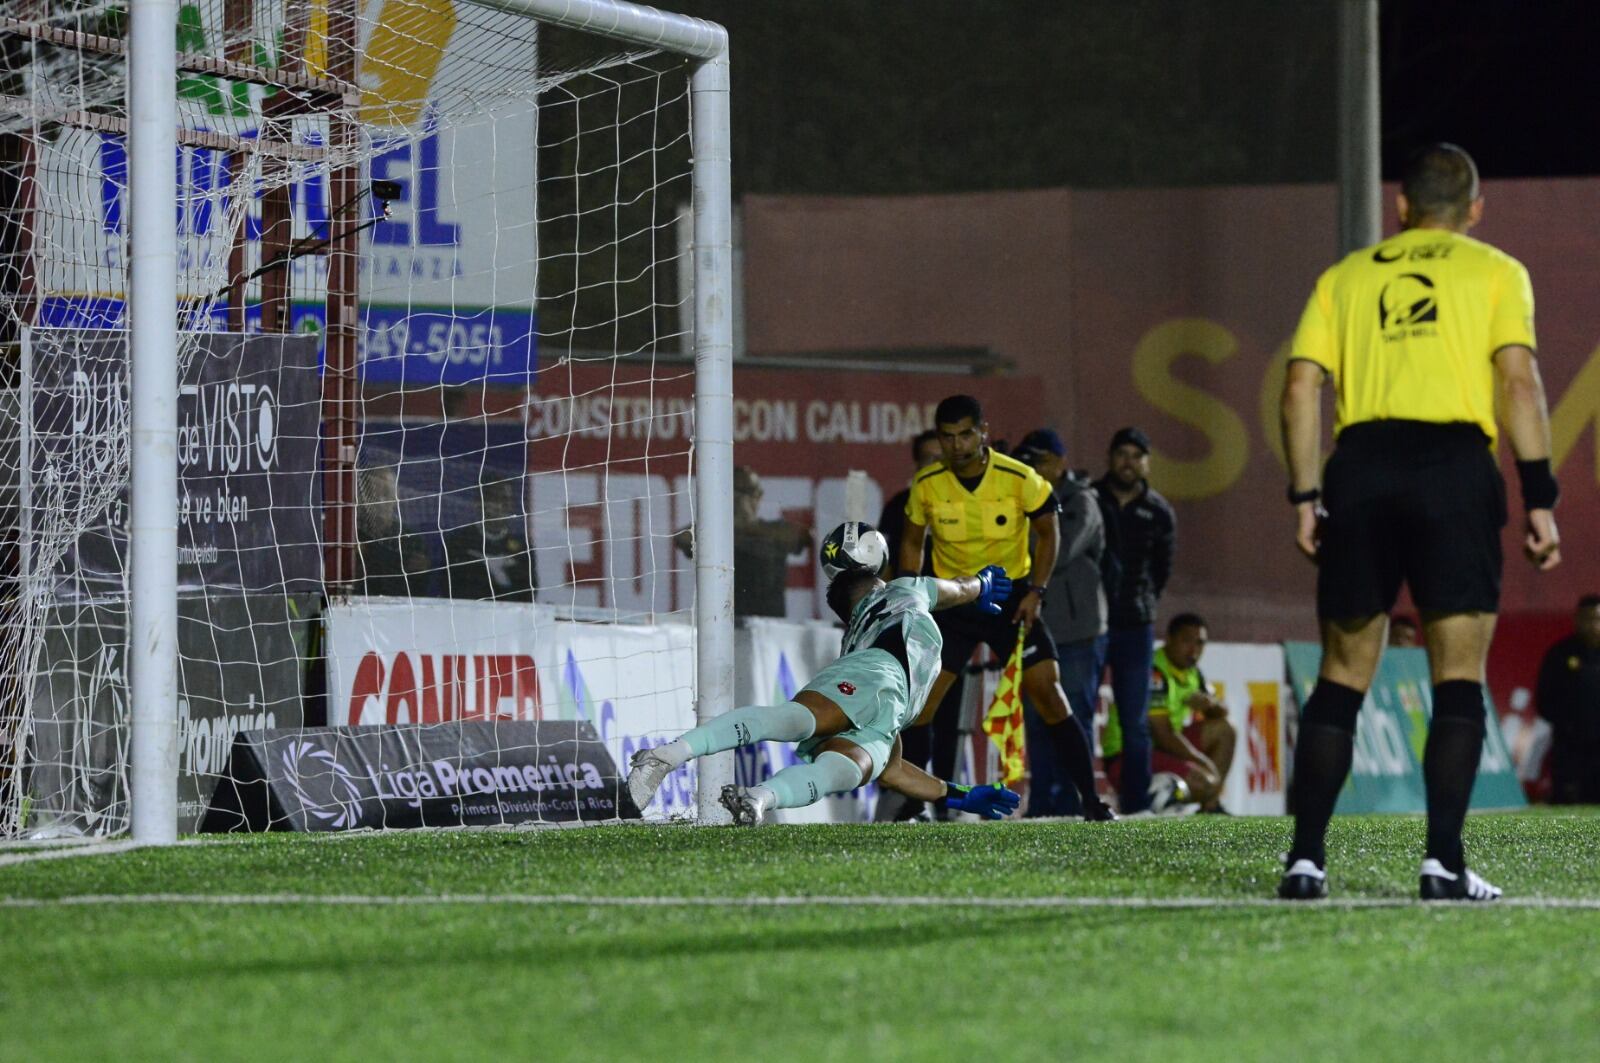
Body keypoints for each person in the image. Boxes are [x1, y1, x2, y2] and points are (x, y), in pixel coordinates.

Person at [1278, 143, 1561, 902]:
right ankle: (1442, 861)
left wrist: (1305, 495)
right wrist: (1539, 495)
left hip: (1362, 467)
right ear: (1474, 209)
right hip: (1453, 471)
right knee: (1458, 676)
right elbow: (1518, 380)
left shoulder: (1344, 278)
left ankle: (1306, 859)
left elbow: (1301, 388)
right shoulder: (1497, 272)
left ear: (1400, 207)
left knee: (1341, 675)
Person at [626, 530, 1021, 825]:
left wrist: (960, 796)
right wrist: (982, 584)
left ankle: (758, 799)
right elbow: (957, 588)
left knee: (846, 771)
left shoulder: (855, 640)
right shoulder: (904, 590)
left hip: (889, 705)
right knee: (795, 721)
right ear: (874, 573)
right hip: (880, 674)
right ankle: (664, 757)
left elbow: (896, 771)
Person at [898, 395, 1115, 821]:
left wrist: (1036, 590)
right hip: (953, 601)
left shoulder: (1020, 477)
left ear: (983, 431)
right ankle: (915, 803)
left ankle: (1091, 801)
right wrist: (912, 597)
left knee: (1050, 695)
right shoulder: (927, 484)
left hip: (1009, 599)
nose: (957, 445)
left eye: (965, 434)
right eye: (948, 437)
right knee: (919, 704)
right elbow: (910, 541)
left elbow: (1049, 533)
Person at [1013, 428, 1109, 817]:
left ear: (1059, 461)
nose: (1032, 468)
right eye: (1026, 461)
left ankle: (1075, 800)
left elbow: (1062, 549)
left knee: (1075, 716)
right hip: (1038, 622)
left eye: (1039, 460)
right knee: (1036, 720)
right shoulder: (1022, 498)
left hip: (1078, 629)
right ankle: (1041, 804)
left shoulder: (1081, 500)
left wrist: (1023, 529)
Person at [875, 429, 964, 822]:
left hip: (953, 621)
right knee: (912, 712)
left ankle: (948, 799)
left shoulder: (963, 504)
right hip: (912, 625)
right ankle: (913, 801)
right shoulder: (900, 506)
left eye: (938, 455)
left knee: (949, 714)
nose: (934, 462)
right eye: (926, 457)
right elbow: (884, 564)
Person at [1093, 426, 1175, 814]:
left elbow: (1162, 571)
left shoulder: (1158, 511)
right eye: (1122, 453)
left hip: (1135, 626)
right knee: (1076, 712)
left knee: (1135, 720)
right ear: (1109, 457)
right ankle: (1075, 800)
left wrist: (1141, 602)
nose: (1128, 462)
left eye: (1136, 455)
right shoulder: (1090, 499)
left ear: (1147, 463)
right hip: (1091, 623)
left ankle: (1137, 804)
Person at [674, 465, 810, 618]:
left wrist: (747, 527)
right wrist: (730, 526)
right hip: (725, 627)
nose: (742, 502)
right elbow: (681, 538)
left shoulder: (774, 532)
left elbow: (805, 537)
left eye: (748, 494)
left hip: (768, 629)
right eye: (737, 495)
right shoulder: (715, 534)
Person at [1535, 594, 1600, 805]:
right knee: (1567, 800)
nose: (1593, 625)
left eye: (1597, 619)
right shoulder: (1561, 654)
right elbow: (1544, 697)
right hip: (1569, 747)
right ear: (1577, 620)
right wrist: (1567, 724)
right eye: (1587, 619)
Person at [444, 475, 535, 602]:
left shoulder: (522, 547)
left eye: (505, 500)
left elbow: (529, 592)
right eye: (494, 499)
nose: (500, 506)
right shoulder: (460, 541)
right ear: (479, 502)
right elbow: (449, 588)